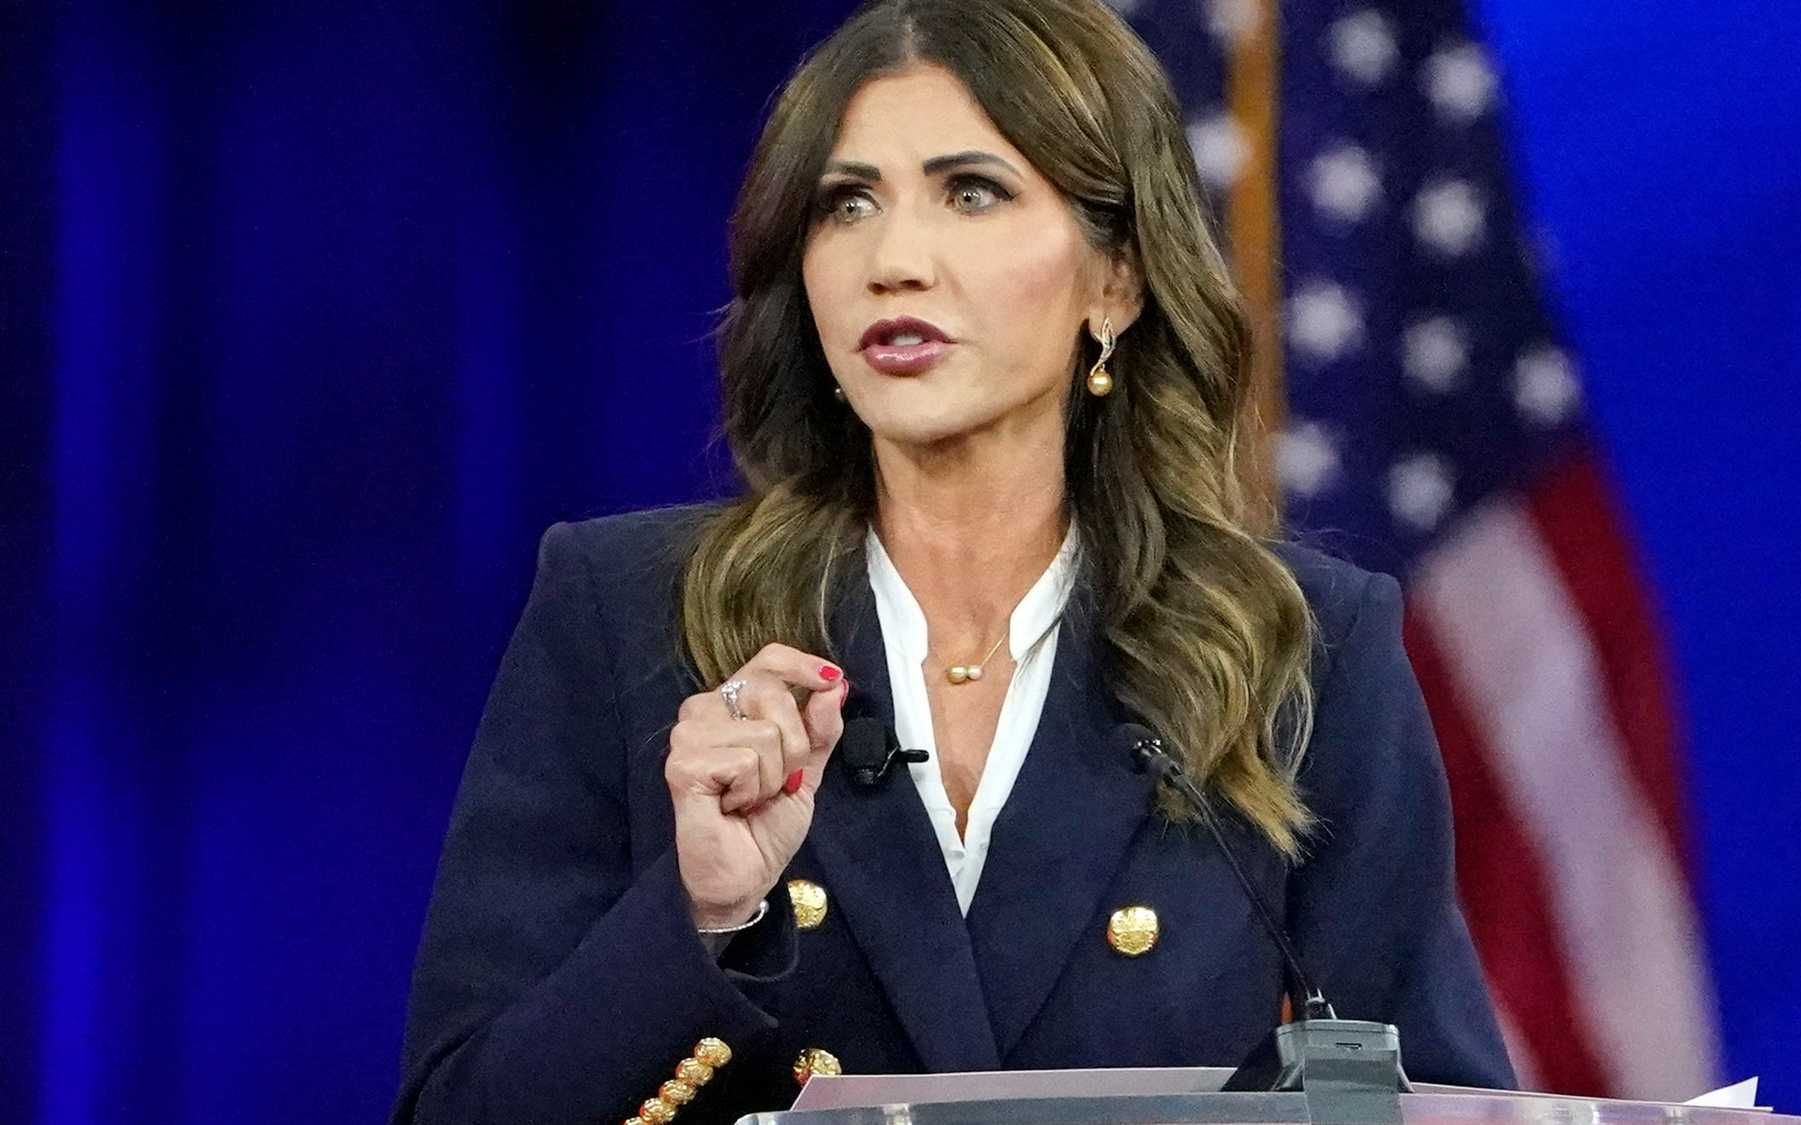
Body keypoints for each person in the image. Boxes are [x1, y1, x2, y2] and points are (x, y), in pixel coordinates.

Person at [392, 1, 1514, 1122]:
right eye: (847, 205)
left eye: (971, 192)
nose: (893, 261)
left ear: (1115, 277)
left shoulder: (1298, 652)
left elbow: (1440, 1107)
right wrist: (700, 910)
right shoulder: (629, 618)